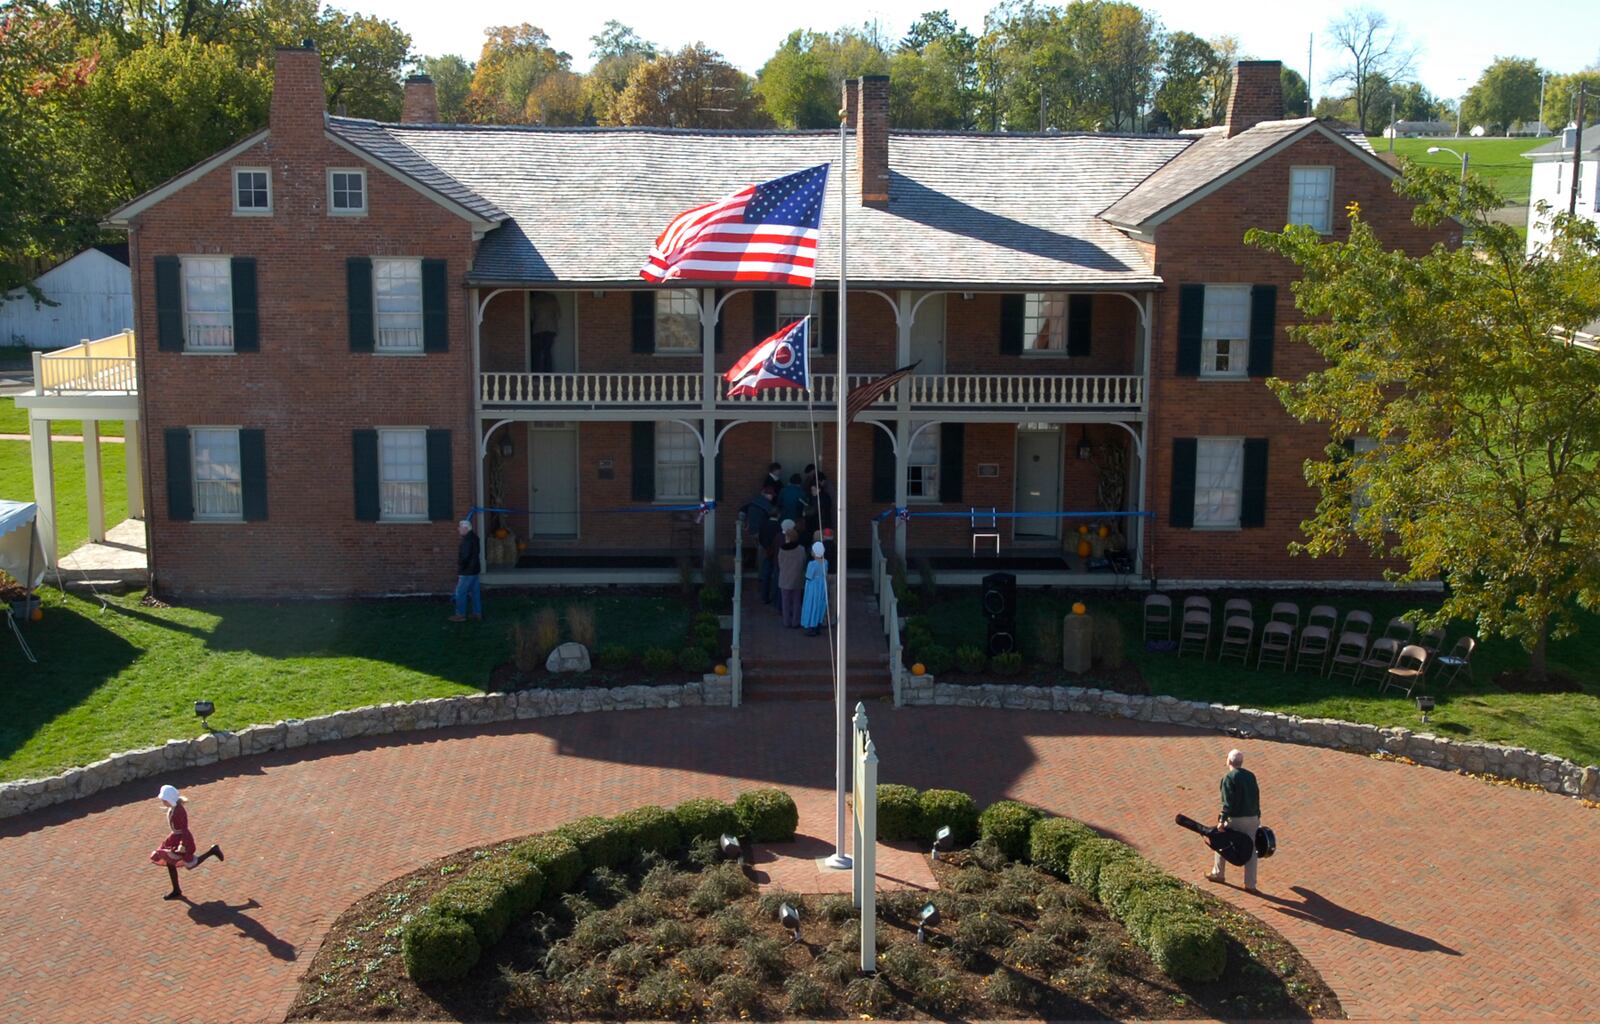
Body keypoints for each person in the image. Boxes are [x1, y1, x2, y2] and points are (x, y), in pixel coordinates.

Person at [149, 784, 222, 901]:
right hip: (174, 838)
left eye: (164, 799)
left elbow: (184, 829)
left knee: (191, 863)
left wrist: (182, 844)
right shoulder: (173, 808)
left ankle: (212, 851)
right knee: (170, 862)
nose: (162, 801)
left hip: (181, 839)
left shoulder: (179, 811)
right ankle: (176, 889)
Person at [1205, 748, 1261, 892]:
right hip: (1252, 818)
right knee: (1251, 849)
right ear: (1241, 762)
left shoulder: (1229, 778)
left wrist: (1222, 820)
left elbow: (1227, 803)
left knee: (1220, 841)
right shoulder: (1251, 776)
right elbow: (1256, 796)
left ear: (1229, 761)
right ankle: (1250, 884)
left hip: (1236, 818)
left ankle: (1218, 873)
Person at [450, 519, 482, 622]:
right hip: (475, 570)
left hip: (467, 572)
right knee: (475, 593)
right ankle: (477, 613)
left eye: (460, 527)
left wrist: (461, 568)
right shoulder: (475, 538)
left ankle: (460, 615)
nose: (458, 529)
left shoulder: (466, 540)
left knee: (460, 593)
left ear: (465, 528)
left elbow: (465, 557)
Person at [777, 523, 806, 628]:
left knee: (785, 601)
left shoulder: (782, 549)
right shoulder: (801, 549)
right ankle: (795, 621)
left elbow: (779, 563)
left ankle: (786, 621)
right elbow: (803, 562)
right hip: (797, 578)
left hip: (785, 578)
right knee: (797, 601)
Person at [801, 541, 829, 636]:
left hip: (813, 587)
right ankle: (818, 625)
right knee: (820, 605)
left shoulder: (812, 564)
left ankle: (811, 626)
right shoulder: (825, 562)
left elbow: (809, 576)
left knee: (811, 605)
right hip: (822, 587)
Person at [756, 508, 783, 605]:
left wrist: (766, 547)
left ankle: (764, 596)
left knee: (766, 574)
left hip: (767, 551)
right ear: (778, 515)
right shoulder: (779, 526)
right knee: (776, 575)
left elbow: (760, 537)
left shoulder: (764, 525)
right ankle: (775, 598)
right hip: (777, 553)